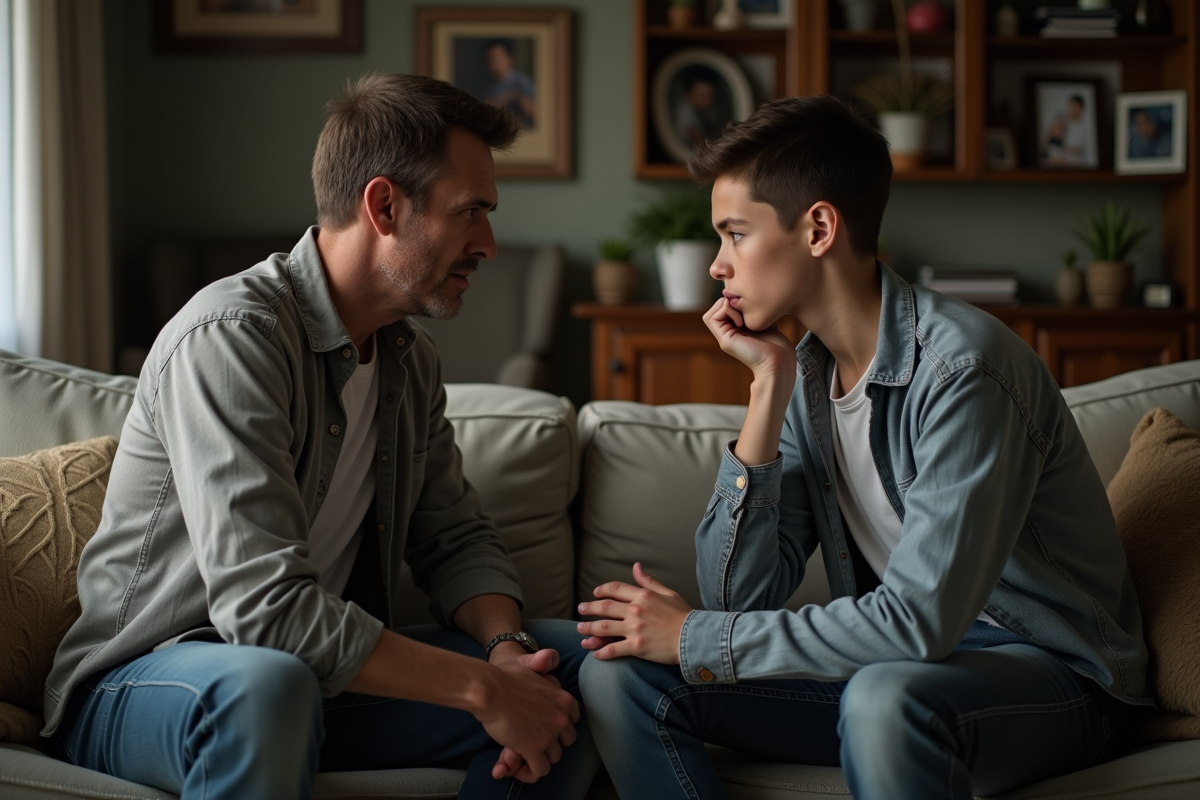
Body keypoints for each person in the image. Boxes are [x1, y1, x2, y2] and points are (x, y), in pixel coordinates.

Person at [576, 95, 1151, 799]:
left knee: (882, 699)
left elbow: (918, 623)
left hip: (1054, 678)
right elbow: (739, 599)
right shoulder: (807, 372)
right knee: (618, 675)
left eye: (734, 234)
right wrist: (767, 390)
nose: (718, 267)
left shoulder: (963, 372)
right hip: (889, 669)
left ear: (818, 227)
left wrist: (695, 637)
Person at [45, 73, 598, 800]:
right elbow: (264, 608)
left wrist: (506, 656)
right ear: (384, 205)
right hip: (151, 681)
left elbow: (454, 538)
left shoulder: (410, 359)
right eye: (471, 213)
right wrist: (482, 691)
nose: (488, 244)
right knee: (264, 685)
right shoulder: (232, 337)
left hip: (310, 677)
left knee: (578, 674)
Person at [483, 39, 536, 129]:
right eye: (489, 59)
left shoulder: (522, 81)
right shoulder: (489, 85)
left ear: (510, 59)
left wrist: (514, 96)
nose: (492, 63)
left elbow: (536, 112)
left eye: (495, 58)